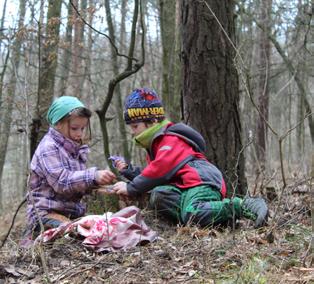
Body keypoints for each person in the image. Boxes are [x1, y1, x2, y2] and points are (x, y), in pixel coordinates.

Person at [111, 88, 268, 228]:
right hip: (184, 186)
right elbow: (153, 175)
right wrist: (128, 171)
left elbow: (159, 169)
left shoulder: (170, 139)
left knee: (192, 213)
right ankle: (217, 219)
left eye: (135, 127)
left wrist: (131, 188)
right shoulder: (155, 145)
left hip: (201, 181)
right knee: (159, 195)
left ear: (152, 121)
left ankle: (242, 206)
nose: (132, 132)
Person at [24, 96, 116, 240]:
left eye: (83, 128)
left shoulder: (73, 148)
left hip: (70, 213)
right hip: (44, 215)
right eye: (74, 128)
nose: (79, 133)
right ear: (58, 123)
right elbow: (62, 182)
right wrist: (92, 176)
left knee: (103, 227)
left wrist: (101, 184)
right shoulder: (48, 148)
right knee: (78, 235)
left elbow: (77, 184)